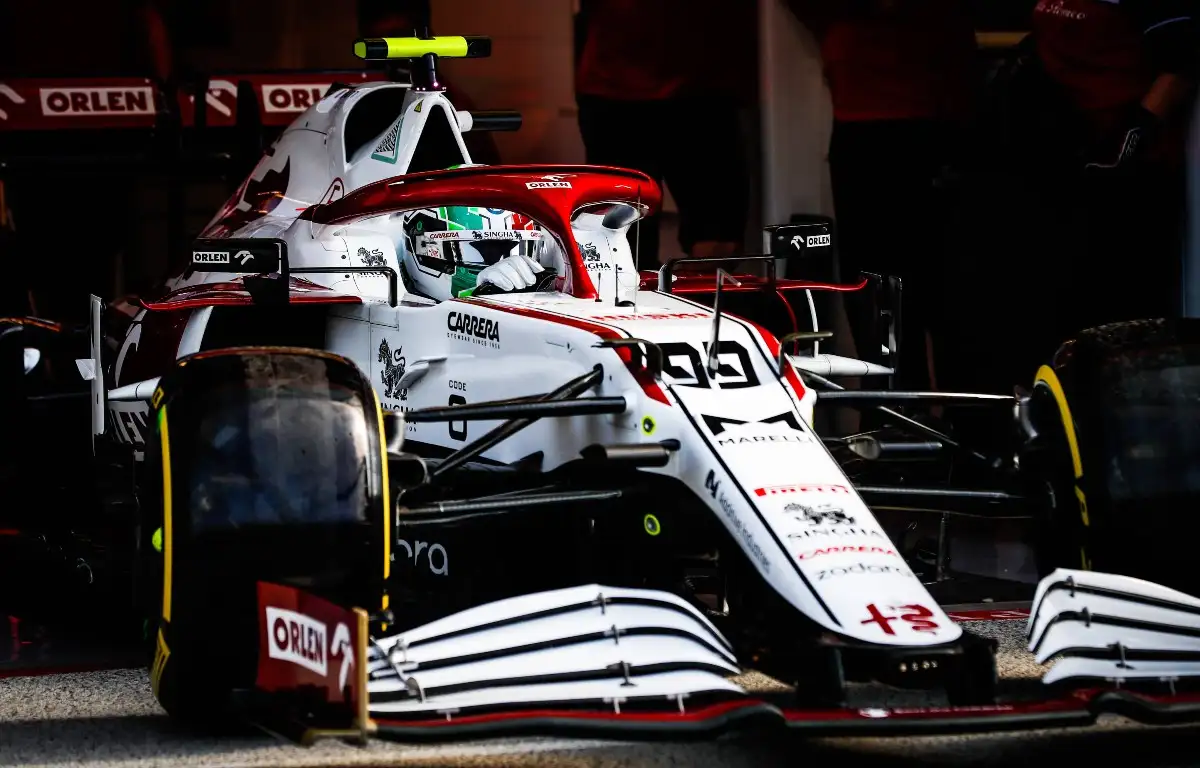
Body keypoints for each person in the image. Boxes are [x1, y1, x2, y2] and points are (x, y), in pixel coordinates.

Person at [786, 0, 980, 392]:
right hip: (864, 115)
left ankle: (957, 414)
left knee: (944, 281)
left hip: (935, 109)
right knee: (874, 278)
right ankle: (890, 407)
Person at [1030, 0, 1198, 339]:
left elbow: (1184, 57)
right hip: (1062, 161)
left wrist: (1131, 140)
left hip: (1127, 173)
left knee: (1120, 312)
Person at [574, 0, 753, 269]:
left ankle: (704, 308)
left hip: (704, 87)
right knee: (622, 246)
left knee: (718, 244)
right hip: (615, 92)